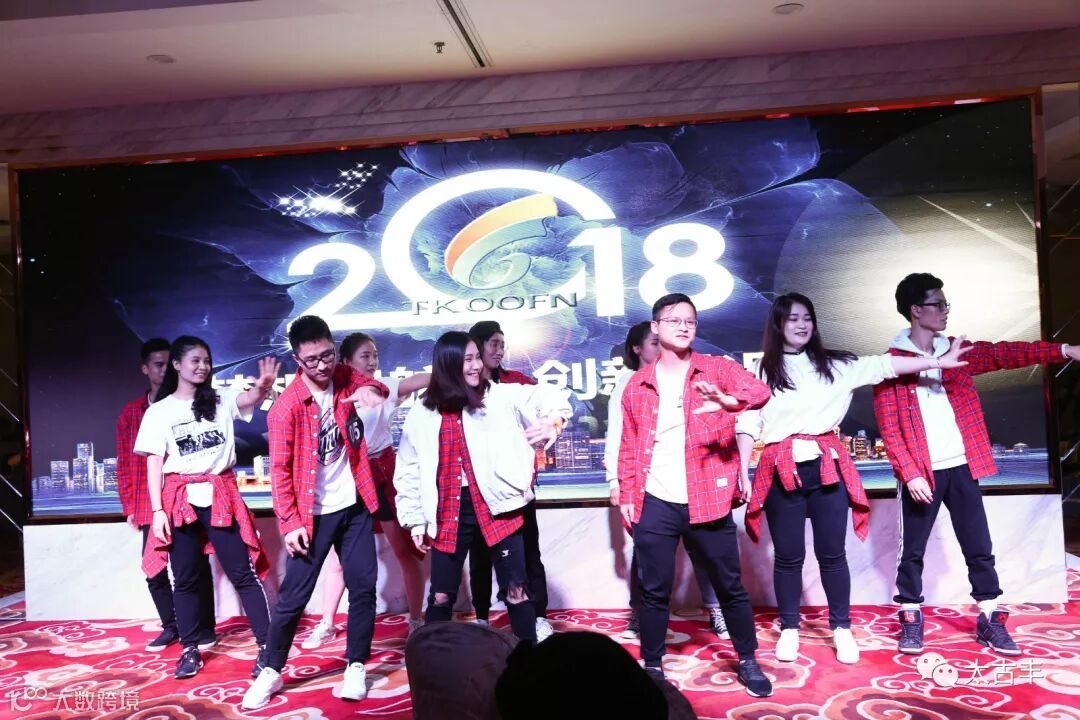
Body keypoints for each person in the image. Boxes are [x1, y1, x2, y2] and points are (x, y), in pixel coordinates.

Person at [735, 293, 969, 665]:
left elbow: (885, 365)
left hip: (826, 467)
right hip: (781, 468)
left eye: (807, 317)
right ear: (778, 324)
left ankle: (841, 628)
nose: (802, 324)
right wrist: (741, 470)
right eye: (793, 318)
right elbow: (748, 422)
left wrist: (938, 361)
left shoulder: (837, 364)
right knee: (788, 557)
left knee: (832, 555)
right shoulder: (762, 370)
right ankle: (790, 628)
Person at [873, 273, 1080, 655]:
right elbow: (890, 427)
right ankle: (911, 617)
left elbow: (1007, 353)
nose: (945, 310)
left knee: (978, 546)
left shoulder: (957, 350)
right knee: (911, 551)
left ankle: (989, 618)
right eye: (938, 304)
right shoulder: (892, 364)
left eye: (945, 304)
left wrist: (1065, 349)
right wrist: (911, 473)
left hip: (962, 467)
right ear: (916, 310)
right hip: (922, 472)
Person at [617, 293, 772, 697]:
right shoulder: (637, 384)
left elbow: (760, 392)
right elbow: (629, 445)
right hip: (656, 498)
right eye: (674, 320)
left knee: (730, 586)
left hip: (708, 497)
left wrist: (731, 402)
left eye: (690, 321)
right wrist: (628, 495)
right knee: (654, 590)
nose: (684, 327)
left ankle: (748, 660)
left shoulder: (716, 368)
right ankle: (653, 666)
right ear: (655, 327)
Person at [243, 317, 391, 710]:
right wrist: (290, 523)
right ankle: (271, 670)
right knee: (294, 597)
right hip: (312, 516)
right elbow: (279, 472)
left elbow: (374, 385)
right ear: (297, 360)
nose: (323, 365)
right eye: (312, 360)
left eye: (327, 355)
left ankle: (355, 665)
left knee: (363, 587)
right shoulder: (286, 408)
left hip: (355, 505)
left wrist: (371, 390)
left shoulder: (344, 376)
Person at [394, 331, 571, 644]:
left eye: (477, 357)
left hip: (498, 505)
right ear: (448, 364)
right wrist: (415, 519)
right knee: (441, 596)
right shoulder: (423, 410)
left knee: (516, 590)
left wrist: (553, 423)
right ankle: (435, 662)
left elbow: (551, 397)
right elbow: (409, 467)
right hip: (447, 510)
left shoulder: (499, 395)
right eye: (468, 360)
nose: (477, 366)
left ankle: (527, 660)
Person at [136, 336, 277, 680]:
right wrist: (157, 512)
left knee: (242, 573)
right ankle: (190, 650)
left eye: (207, 361)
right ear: (177, 365)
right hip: (179, 498)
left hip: (219, 494)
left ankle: (267, 647)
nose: (203, 367)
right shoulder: (159, 411)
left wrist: (263, 387)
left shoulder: (220, 399)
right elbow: (154, 464)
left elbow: (249, 398)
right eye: (195, 360)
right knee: (184, 578)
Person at [301, 332, 431, 649]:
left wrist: (453, 366)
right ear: (346, 362)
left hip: (382, 474)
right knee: (339, 560)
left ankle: (416, 620)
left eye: (375, 355)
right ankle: (327, 623)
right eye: (365, 356)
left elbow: (422, 380)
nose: (372, 361)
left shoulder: (383, 386)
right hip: (349, 477)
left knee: (403, 551)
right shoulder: (333, 392)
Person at [606, 322, 730, 641]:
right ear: (637, 349)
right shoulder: (629, 383)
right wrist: (616, 481)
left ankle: (717, 611)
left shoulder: (689, 375)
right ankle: (640, 615)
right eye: (653, 342)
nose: (661, 346)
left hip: (695, 481)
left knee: (703, 551)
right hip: (649, 485)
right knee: (646, 553)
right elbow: (618, 436)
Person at [117, 338, 216, 652]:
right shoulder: (132, 413)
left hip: (186, 499)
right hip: (151, 504)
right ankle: (171, 626)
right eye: (156, 364)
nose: (163, 370)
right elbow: (125, 462)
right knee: (155, 569)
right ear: (145, 369)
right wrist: (130, 506)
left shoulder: (193, 404)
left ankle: (204, 628)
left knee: (195, 565)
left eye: (166, 364)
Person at [466, 320, 553, 641]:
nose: (499, 350)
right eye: (493, 343)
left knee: (529, 553)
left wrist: (550, 424)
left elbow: (546, 403)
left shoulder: (517, 383)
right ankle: (481, 616)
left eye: (502, 344)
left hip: (516, 489)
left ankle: (538, 616)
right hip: (476, 490)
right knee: (479, 556)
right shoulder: (461, 388)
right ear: (476, 347)